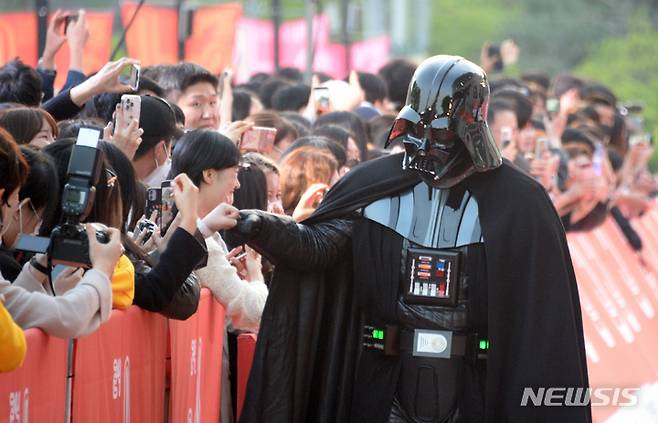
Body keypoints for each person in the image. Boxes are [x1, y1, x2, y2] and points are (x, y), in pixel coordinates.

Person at [231, 55, 590, 422]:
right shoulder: (372, 185)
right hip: (384, 382)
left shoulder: (518, 203)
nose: (427, 144)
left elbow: (543, 320)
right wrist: (259, 225)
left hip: (473, 387)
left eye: (441, 132)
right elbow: (318, 247)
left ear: (470, 126)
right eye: (418, 129)